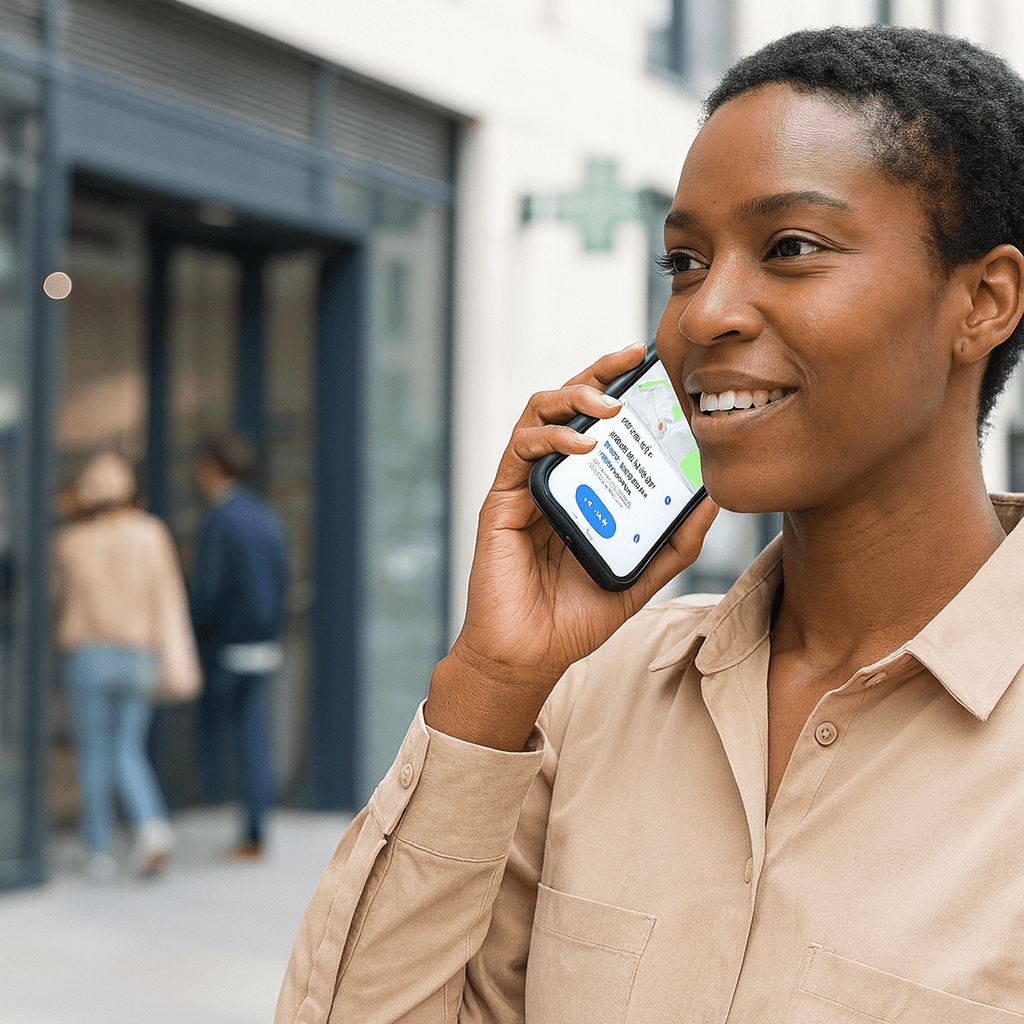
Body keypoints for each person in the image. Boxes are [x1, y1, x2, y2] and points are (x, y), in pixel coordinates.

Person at [277, 24, 1024, 1022]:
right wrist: (493, 684)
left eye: (789, 247)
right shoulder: (594, 698)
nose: (703, 314)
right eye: (682, 260)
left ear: (981, 300)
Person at [52, 452, 199, 881]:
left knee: (94, 755)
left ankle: (99, 852)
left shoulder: (71, 541)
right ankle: (152, 828)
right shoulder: (151, 534)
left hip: (88, 658)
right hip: (138, 658)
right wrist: (177, 660)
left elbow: (56, 596)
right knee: (127, 749)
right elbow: (169, 602)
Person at [190, 433, 288, 861]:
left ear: (214, 467)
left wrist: (198, 631)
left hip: (229, 646)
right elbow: (283, 578)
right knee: (255, 734)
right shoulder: (267, 516)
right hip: (264, 644)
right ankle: (255, 824)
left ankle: (252, 831)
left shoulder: (221, 520)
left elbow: (208, 591)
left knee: (244, 736)